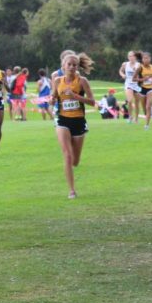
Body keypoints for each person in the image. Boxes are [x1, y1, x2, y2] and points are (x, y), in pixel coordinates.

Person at [52, 52, 96, 199]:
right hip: (62, 120)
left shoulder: (82, 81)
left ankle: (72, 168)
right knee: (68, 156)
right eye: (69, 64)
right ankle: (71, 190)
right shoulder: (57, 81)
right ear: (63, 66)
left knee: (75, 161)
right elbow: (54, 97)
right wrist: (51, 100)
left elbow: (92, 102)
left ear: (77, 67)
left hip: (79, 121)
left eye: (74, 65)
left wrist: (75, 96)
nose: (71, 67)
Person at [135, 51, 152, 129]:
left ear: (150, 59)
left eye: (147, 58)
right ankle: (147, 116)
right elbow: (134, 78)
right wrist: (143, 79)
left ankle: (147, 125)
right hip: (142, 89)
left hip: (150, 89)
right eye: (144, 58)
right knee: (144, 108)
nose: (146, 60)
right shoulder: (140, 68)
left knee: (148, 106)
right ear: (142, 59)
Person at [119, 50, 141, 124]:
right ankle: (130, 117)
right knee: (130, 101)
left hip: (136, 85)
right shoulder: (125, 64)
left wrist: (137, 71)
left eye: (132, 56)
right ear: (128, 57)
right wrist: (123, 75)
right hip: (128, 84)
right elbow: (120, 71)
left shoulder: (138, 65)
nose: (131, 57)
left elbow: (141, 75)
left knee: (137, 103)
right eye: (129, 56)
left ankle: (136, 118)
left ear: (135, 57)